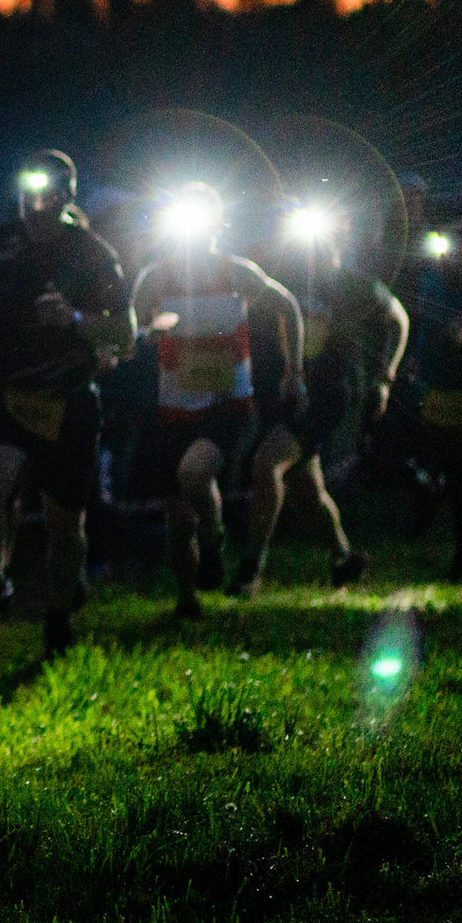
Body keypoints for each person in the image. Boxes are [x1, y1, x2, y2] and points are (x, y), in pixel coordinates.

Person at [0, 153, 129, 648]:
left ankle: (58, 616)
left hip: (68, 401)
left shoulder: (94, 254)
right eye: (27, 194)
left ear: (68, 196)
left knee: (63, 525)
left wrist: (72, 320)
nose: (33, 204)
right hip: (6, 392)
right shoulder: (2, 242)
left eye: (46, 195)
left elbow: (125, 336)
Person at [128, 183, 301, 620]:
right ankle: (187, 598)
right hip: (173, 408)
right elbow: (129, 332)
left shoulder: (236, 272)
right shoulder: (156, 277)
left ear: (218, 225)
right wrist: (145, 333)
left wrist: (293, 371)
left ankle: (215, 533)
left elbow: (289, 306)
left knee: (194, 473)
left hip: (227, 403)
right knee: (176, 515)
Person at [236, 206, 405, 596]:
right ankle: (344, 558)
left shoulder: (353, 284)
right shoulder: (283, 280)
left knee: (266, 464)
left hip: (327, 395)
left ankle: (250, 569)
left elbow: (399, 319)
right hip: (286, 394)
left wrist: (386, 376)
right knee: (307, 492)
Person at [398, 225, 462, 581]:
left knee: (461, 484)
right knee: (424, 466)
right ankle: (417, 528)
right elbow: (417, 324)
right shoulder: (429, 282)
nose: (453, 260)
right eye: (451, 252)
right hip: (429, 392)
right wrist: (412, 358)